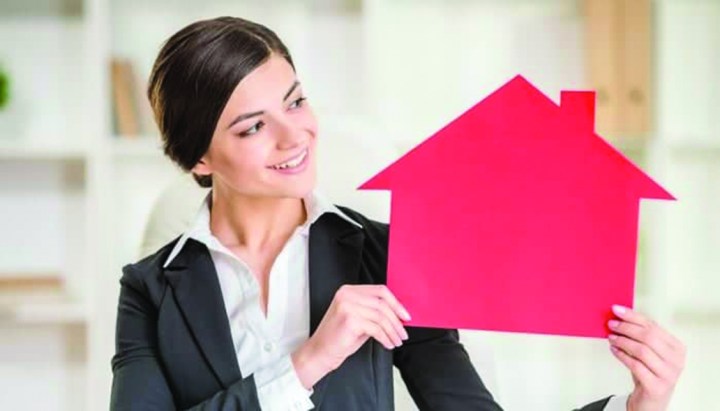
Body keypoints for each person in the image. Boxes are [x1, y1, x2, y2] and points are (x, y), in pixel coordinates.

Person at [110, 16, 685, 411]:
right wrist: (309, 362)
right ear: (200, 158)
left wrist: (635, 406)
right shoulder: (150, 290)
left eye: (296, 102)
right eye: (254, 126)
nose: (295, 136)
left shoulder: (386, 256)